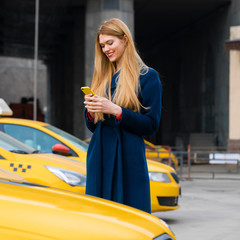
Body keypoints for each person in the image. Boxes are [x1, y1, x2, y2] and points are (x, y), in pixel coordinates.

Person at [83, 18, 162, 213]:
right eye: (102, 45)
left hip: (128, 154)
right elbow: (93, 127)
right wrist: (92, 112)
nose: (105, 49)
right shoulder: (102, 76)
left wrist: (117, 111)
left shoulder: (147, 76)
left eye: (110, 43)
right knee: (99, 215)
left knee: (130, 213)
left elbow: (151, 125)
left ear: (125, 39)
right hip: (100, 152)